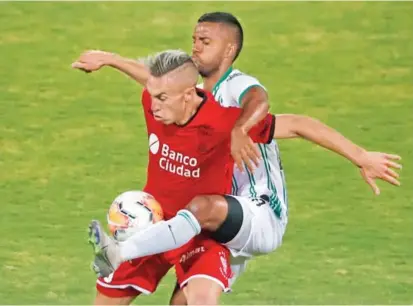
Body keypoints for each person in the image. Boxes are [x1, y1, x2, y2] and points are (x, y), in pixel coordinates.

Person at [73, 12, 402, 291]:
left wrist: (361, 156)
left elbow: (279, 111)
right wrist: (110, 60)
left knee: (200, 207)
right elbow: (155, 81)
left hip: (259, 211)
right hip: (222, 215)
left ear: (229, 49)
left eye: (206, 42)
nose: (196, 48)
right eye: (194, 40)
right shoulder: (196, 92)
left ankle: (119, 252)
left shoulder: (236, 87)